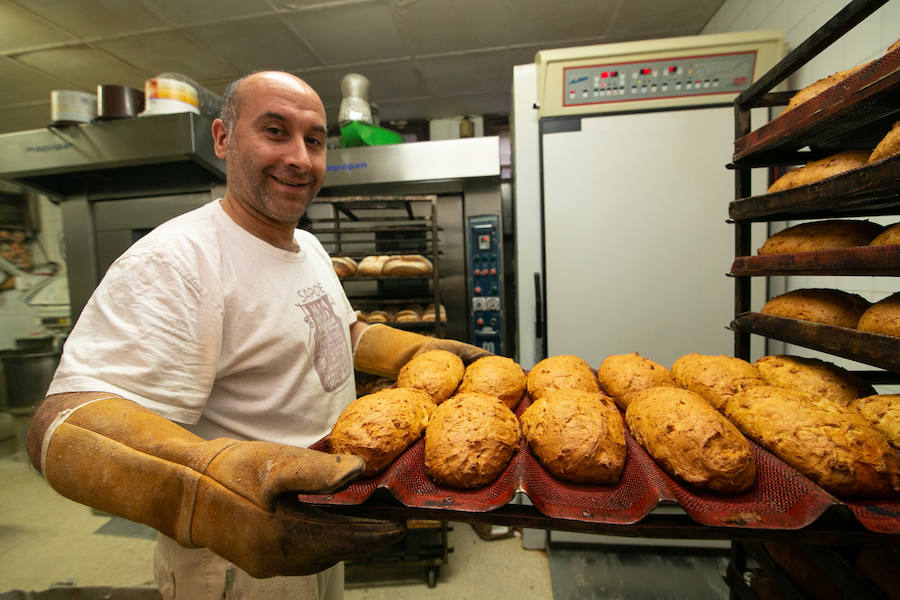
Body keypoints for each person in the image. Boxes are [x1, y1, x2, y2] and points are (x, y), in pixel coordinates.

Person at [25, 71, 489, 600]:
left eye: (313, 140)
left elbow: (336, 331)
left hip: (320, 518)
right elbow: (63, 423)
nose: (299, 157)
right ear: (223, 139)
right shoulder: (178, 259)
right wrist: (205, 494)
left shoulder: (309, 248)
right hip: (235, 550)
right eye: (274, 131)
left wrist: (414, 349)